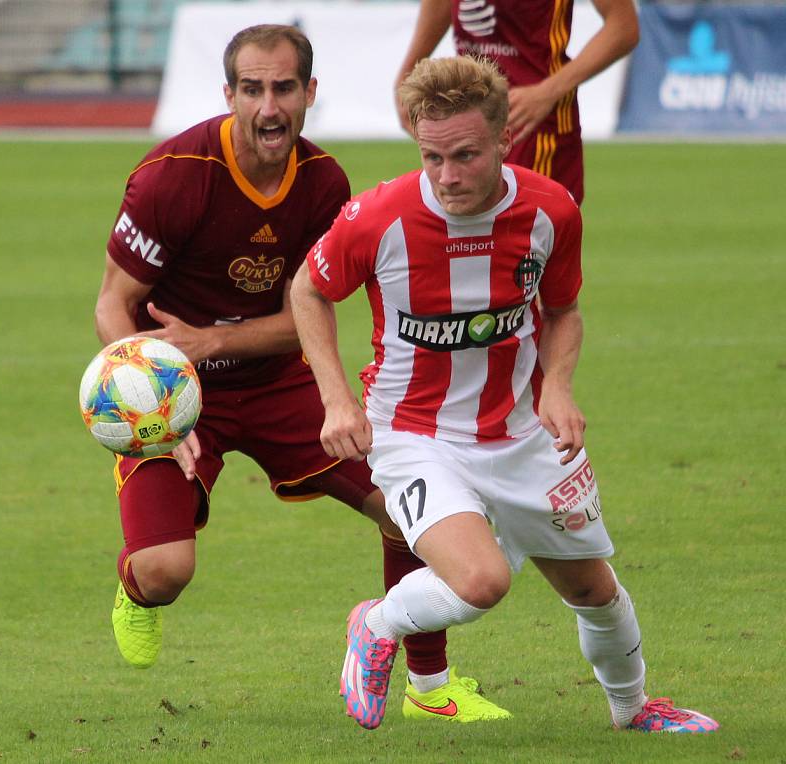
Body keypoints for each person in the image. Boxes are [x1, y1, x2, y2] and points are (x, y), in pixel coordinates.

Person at [290, 54, 719, 733]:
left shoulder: (550, 211)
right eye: (433, 157)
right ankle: (374, 624)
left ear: (501, 141)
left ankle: (633, 711)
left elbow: (565, 311)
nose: (448, 176)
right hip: (413, 434)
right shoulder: (379, 218)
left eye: (465, 156)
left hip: (523, 433)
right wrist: (337, 400)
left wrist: (559, 389)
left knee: (594, 590)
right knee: (482, 581)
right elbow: (308, 290)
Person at [94, 24, 508, 723]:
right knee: (166, 571)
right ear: (229, 94)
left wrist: (213, 340)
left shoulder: (324, 184)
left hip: (283, 381)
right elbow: (114, 303)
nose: (269, 106)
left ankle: (430, 688)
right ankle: (136, 592)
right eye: (252, 89)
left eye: (284, 87)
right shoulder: (174, 176)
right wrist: (157, 394)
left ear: (309, 92)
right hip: (174, 391)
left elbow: (308, 313)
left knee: (409, 511)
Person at [394, 0, 639, 204]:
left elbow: (623, 28)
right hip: (469, 119)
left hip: (534, 128)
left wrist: (546, 91)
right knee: (464, 241)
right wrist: (408, 72)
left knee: (529, 248)